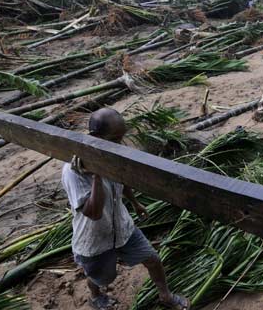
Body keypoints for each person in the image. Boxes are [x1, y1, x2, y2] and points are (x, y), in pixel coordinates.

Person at [61, 108, 189, 310]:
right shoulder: (73, 171)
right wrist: (97, 173)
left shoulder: (112, 152)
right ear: (96, 137)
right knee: (101, 277)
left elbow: (122, 180)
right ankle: (95, 297)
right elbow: (93, 213)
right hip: (95, 237)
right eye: (114, 139)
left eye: (121, 139)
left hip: (122, 226)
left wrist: (135, 202)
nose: (119, 144)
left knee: (153, 259)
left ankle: (166, 295)